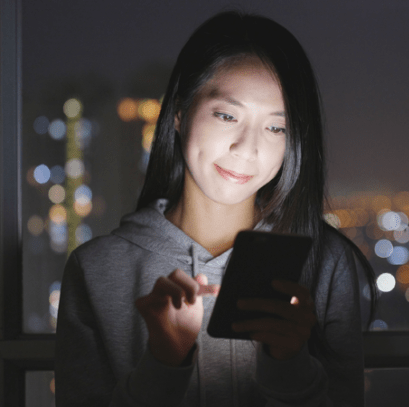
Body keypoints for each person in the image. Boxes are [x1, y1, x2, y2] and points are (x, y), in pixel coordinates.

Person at [55, 10, 377, 407]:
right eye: (227, 115)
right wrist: (163, 363)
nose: (247, 148)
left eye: (277, 127)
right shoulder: (96, 269)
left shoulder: (325, 263)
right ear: (178, 112)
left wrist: (289, 364)